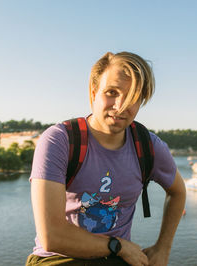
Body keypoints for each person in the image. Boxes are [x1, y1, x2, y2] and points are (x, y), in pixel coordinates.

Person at [27, 51, 186, 265]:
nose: (120, 106)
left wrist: (162, 249)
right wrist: (117, 246)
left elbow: (177, 192)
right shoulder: (60, 141)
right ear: (93, 93)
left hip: (117, 258)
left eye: (132, 98)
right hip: (60, 258)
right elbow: (52, 237)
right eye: (112, 92)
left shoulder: (148, 146)